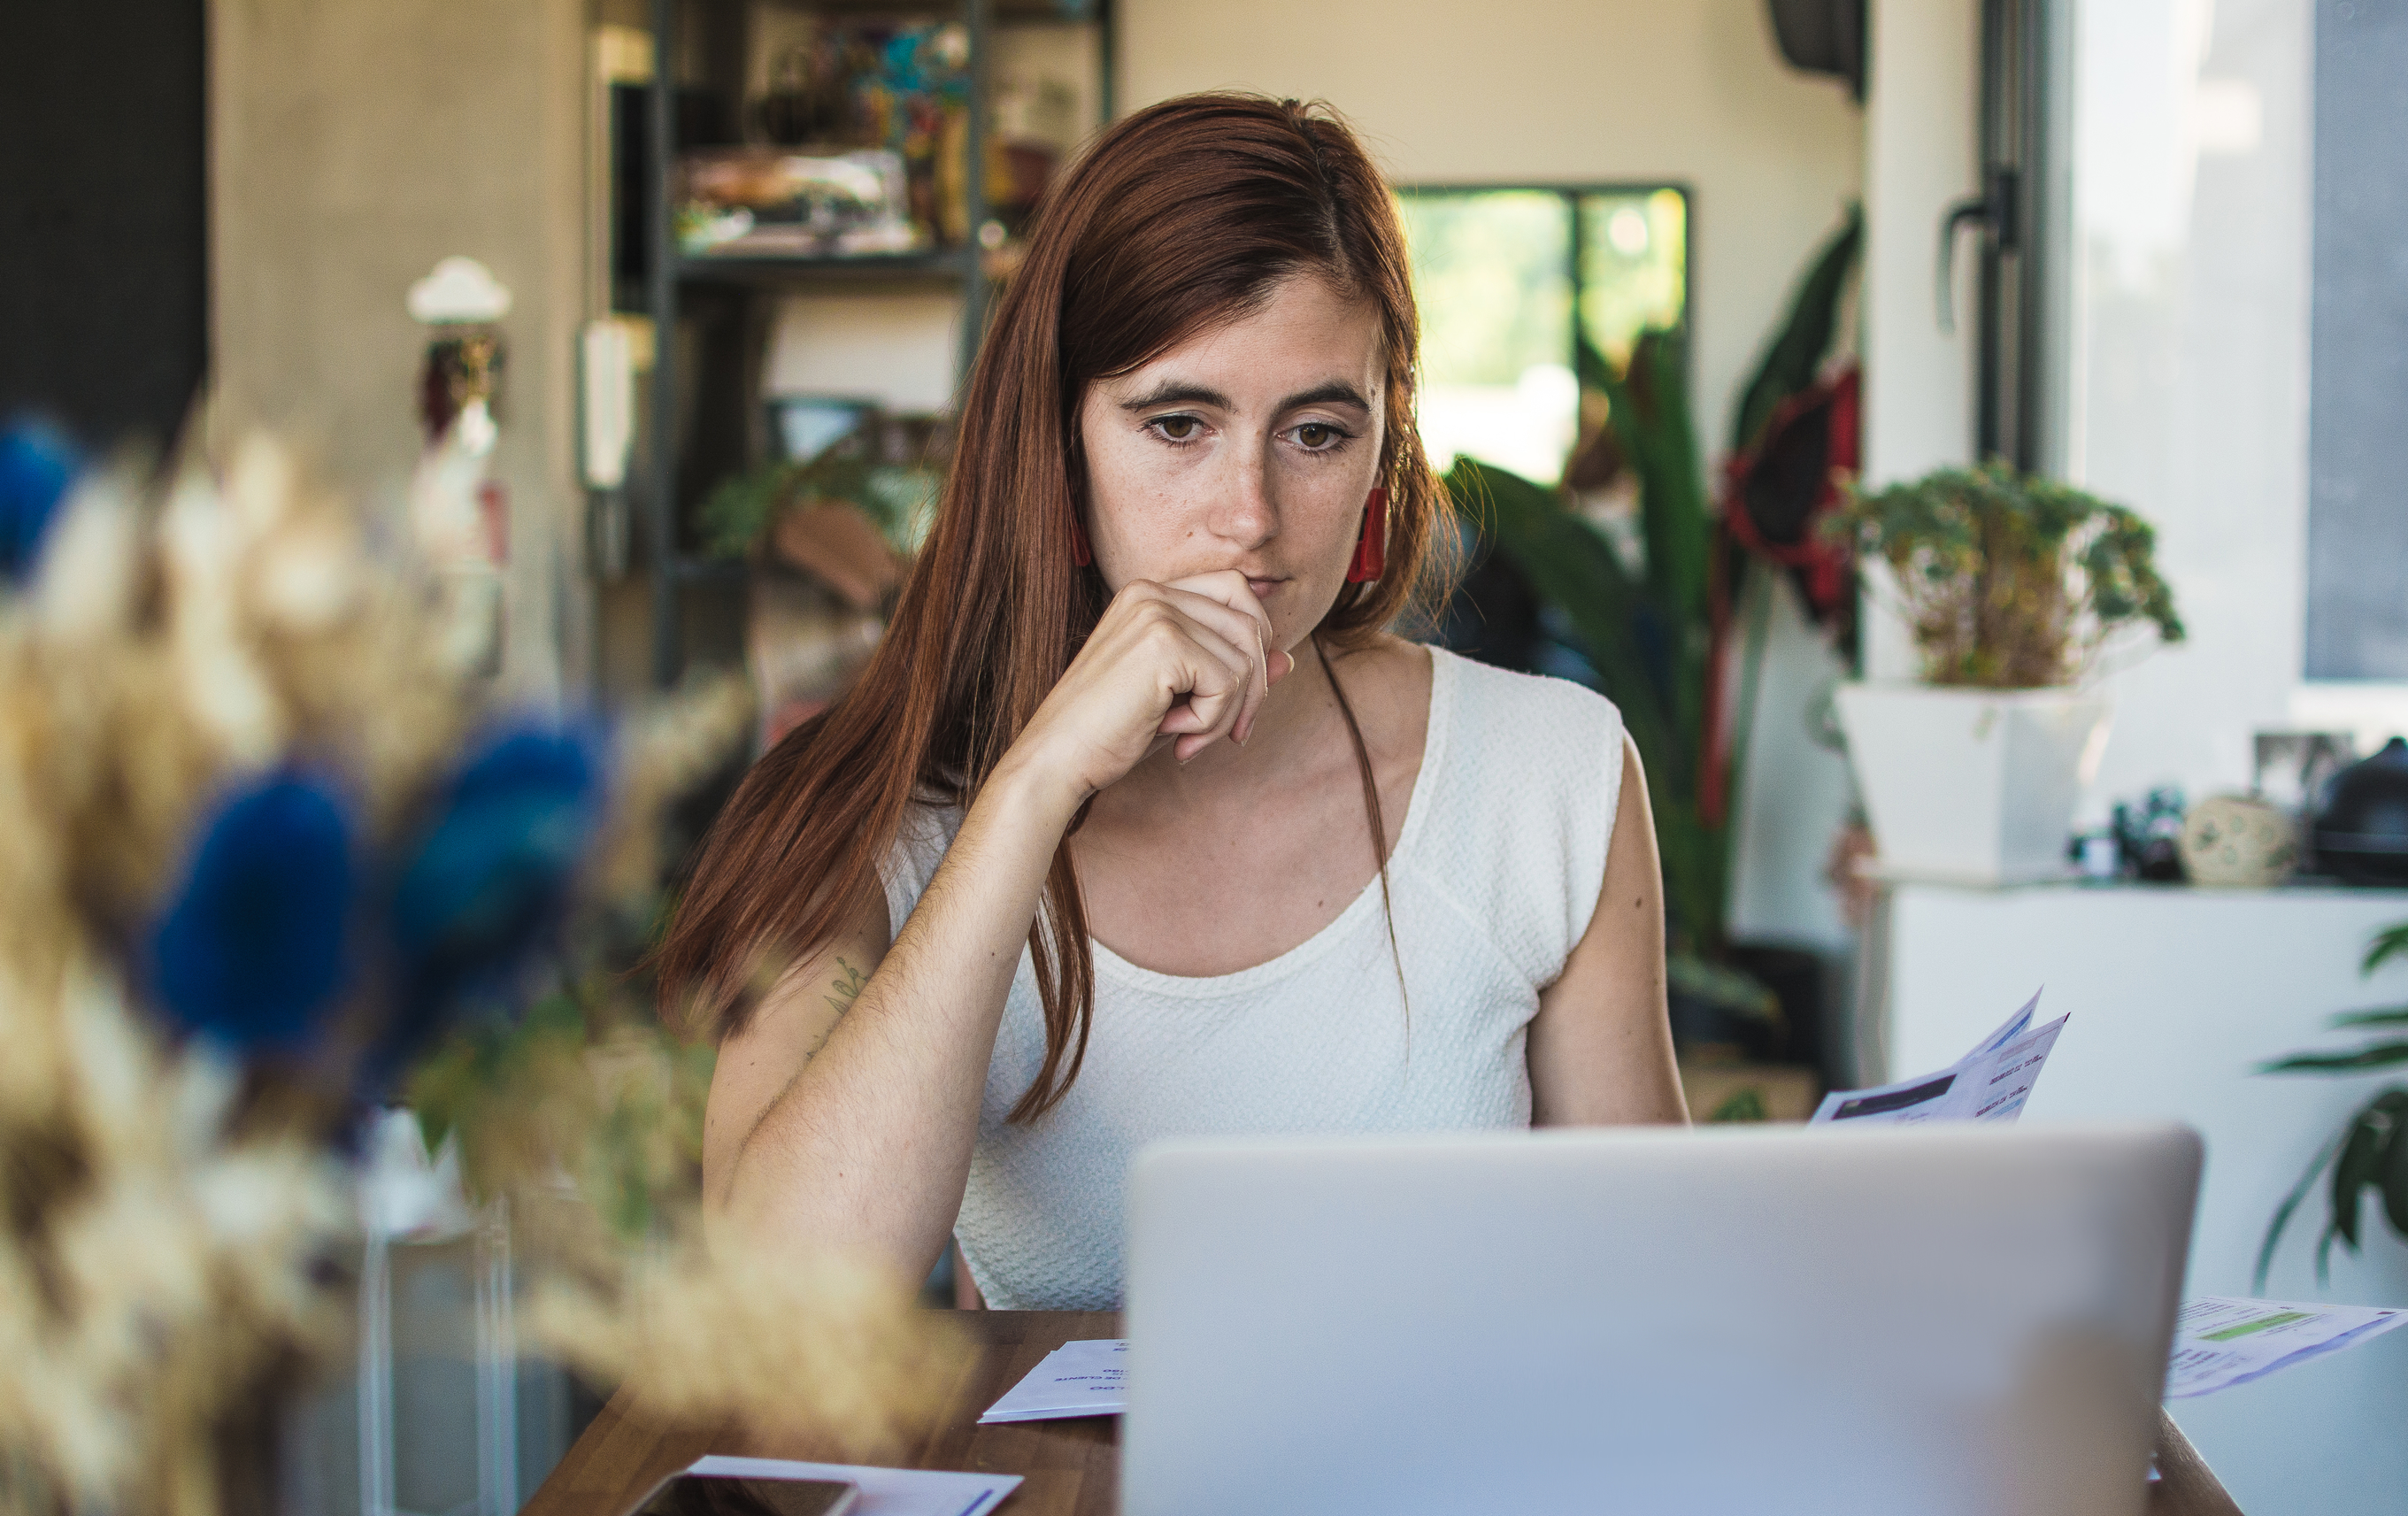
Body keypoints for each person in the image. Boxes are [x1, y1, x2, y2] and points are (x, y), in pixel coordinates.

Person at [658, 94, 1688, 1311]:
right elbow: (773, 1313)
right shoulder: (874, 807)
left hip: (1446, 1497)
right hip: (1069, 1507)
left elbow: (1654, 1299)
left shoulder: (1550, 775)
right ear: (1056, 443)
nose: (1246, 515)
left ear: (1383, 457)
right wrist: (1030, 790)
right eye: (1178, 422)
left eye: (1314, 433)